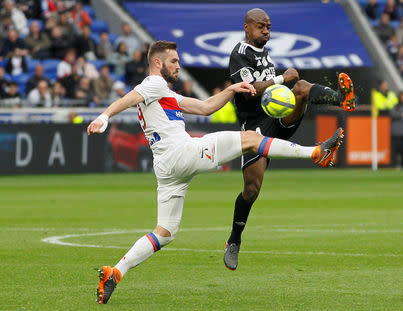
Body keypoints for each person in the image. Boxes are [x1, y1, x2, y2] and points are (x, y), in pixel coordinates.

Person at [87, 40, 345, 304]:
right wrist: (104, 117)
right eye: (173, 61)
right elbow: (130, 97)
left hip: (166, 168)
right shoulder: (152, 84)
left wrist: (232, 88)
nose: (178, 65)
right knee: (250, 139)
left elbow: (205, 107)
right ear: (157, 62)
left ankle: (115, 272)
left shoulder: (164, 93)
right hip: (181, 153)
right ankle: (315, 153)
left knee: (165, 232)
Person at [223, 8, 356, 271]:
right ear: (247, 27)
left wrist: (285, 83)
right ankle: (234, 240)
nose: (266, 31)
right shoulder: (239, 54)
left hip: (278, 118)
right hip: (255, 127)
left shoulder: (264, 53)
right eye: (261, 26)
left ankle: (342, 99)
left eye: (269, 27)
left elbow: (277, 85)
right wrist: (282, 78)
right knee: (252, 189)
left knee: (301, 87)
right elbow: (248, 91)